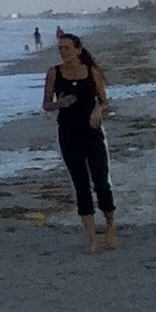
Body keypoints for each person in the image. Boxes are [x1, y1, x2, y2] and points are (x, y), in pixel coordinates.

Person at [43, 30, 117, 253]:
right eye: (60, 49)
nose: (63, 52)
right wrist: (59, 104)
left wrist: (98, 109)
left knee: (101, 181)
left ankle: (111, 224)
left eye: (67, 48)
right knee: (80, 184)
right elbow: (46, 104)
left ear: (78, 50)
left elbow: (105, 102)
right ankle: (92, 237)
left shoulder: (91, 72)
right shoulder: (54, 73)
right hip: (68, 133)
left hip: (92, 132)